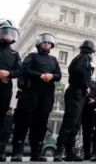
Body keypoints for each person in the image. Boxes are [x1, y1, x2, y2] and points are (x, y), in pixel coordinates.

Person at [12, 33, 61, 162]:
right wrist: (40, 75)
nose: (47, 44)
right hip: (31, 92)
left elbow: (58, 75)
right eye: (44, 42)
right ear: (39, 44)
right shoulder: (31, 57)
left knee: (41, 123)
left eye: (49, 43)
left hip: (47, 94)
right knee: (23, 122)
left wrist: (51, 76)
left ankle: (37, 153)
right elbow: (24, 70)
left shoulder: (53, 60)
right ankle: (17, 152)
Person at [54, 40, 95, 162]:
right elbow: (79, 72)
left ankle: (68, 151)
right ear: (91, 50)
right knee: (70, 122)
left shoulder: (79, 57)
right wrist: (85, 85)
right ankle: (60, 151)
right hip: (77, 91)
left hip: (77, 92)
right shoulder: (85, 57)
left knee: (75, 124)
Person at [0, 19, 21, 129]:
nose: (7, 35)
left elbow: (19, 70)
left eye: (9, 33)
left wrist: (8, 73)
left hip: (6, 87)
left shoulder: (14, 54)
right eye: (5, 32)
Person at [81, 62, 96, 160]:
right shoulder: (79, 81)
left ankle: (87, 152)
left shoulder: (94, 83)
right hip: (79, 107)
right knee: (73, 129)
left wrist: (95, 101)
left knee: (88, 132)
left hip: (90, 110)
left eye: (91, 69)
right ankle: (68, 151)